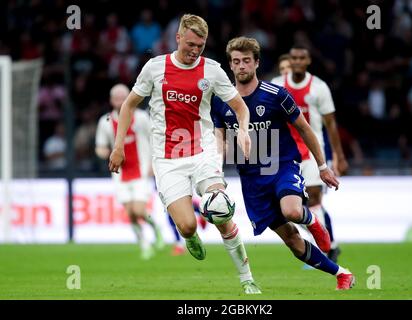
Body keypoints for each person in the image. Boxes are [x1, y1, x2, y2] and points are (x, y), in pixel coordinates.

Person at [108, 14, 261, 294]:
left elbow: (240, 106)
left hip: (203, 152)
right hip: (167, 160)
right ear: (177, 38)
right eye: (190, 44)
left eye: (200, 46)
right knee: (188, 226)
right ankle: (189, 236)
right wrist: (118, 146)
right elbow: (129, 106)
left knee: (220, 210)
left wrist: (242, 130)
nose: (194, 51)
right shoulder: (155, 68)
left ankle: (247, 278)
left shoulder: (212, 70)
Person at [212, 36, 355, 290]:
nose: (241, 66)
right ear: (230, 66)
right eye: (236, 62)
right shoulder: (220, 101)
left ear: (257, 63)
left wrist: (323, 167)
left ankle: (311, 220)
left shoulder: (276, 94)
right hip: (251, 179)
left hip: (281, 166)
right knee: (291, 239)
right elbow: (219, 141)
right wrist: (213, 173)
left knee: (291, 211)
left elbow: (305, 129)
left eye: (247, 61)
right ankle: (342, 273)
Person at [271, 44, 348, 263]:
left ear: (307, 61)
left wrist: (338, 155)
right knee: (291, 207)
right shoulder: (276, 86)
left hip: (313, 155)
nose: (296, 62)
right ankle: (326, 245)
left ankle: (328, 249)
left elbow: (330, 124)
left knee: (314, 200)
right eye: (292, 58)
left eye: (300, 58)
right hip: (284, 155)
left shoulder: (319, 87)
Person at [95, 84, 165, 260]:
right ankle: (144, 244)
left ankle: (155, 227)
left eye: (123, 97)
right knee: (130, 213)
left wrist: (153, 165)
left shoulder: (141, 118)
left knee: (139, 210)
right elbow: (100, 146)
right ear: (111, 100)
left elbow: (155, 140)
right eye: (116, 97)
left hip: (141, 171)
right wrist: (103, 152)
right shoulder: (106, 122)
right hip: (120, 174)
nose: (120, 101)